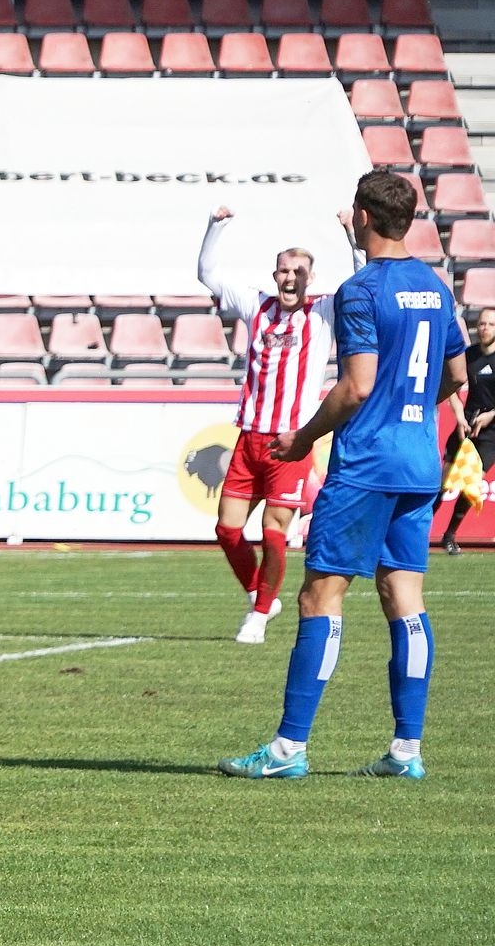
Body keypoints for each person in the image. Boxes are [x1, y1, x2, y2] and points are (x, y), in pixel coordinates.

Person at [220, 169, 466, 782]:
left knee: (319, 597)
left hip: (367, 465)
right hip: (418, 462)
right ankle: (405, 751)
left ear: (362, 216)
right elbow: (457, 376)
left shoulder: (361, 290)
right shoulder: (435, 286)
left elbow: (355, 387)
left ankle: (287, 749)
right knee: (403, 597)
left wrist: (303, 438)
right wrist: (412, 411)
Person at [197, 205, 363, 644]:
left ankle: (257, 617)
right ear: (275, 276)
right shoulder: (257, 306)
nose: (290, 278)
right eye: (284, 271)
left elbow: (362, 278)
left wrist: (351, 234)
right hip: (249, 437)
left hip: (291, 442)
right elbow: (207, 274)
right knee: (227, 529)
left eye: (298, 272)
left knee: (274, 531)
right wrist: (216, 226)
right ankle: (262, 595)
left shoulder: (324, 312)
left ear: (311, 277)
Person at [436, 307, 495, 554]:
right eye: (482, 324)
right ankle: (417, 530)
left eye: (490, 324)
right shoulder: (469, 355)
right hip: (466, 425)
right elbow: (451, 383)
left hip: (490, 433)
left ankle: (450, 535)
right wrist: (459, 414)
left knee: (471, 483)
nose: (485, 328)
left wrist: (491, 414)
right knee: (442, 482)